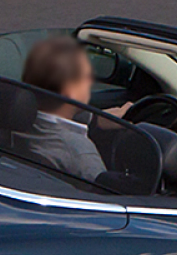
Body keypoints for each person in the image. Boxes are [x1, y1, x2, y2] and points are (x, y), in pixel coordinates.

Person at [15, 36, 109, 181]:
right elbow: (106, 197)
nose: (90, 81)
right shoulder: (79, 151)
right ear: (69, 91)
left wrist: (96, 120)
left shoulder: (13, 124)